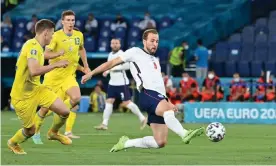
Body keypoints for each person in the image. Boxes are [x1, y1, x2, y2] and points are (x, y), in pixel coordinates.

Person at [81, 29, 203, 152]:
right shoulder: (135, 52)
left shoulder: (155, 60)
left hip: (158, 97)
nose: (155, 44)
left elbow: (159, 85)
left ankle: (127, 143)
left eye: (157, 41)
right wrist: (91, 73)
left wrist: (167, 101)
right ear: (144, 41)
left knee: (160, 142)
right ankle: (184, 134)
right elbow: (111, 63)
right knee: (168, 111)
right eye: (152, 41)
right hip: (147, 93)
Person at [8, 19, 71, 154]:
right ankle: (13, 143)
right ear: (46, 33)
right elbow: (34, 71)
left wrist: (58, 56)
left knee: (65, 111)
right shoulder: (33, 46)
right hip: (22, 97)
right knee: (30, 131)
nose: (53, 36)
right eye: (52, 34)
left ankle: (53, 133)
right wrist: (55, 64)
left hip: (37, 89)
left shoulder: (37, 47)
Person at [32, 10, 91, 144]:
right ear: (63, 22)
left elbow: (81, 49)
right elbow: (45, 54)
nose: (71, 23)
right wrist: (58, 54)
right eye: (68, 20)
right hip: (53, 77)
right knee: (45, 108)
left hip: (69, 76)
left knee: (76, 98)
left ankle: (53, 130)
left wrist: (85, 66)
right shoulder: (56, 36)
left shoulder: (78, 35)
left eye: (72, 20)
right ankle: (36, 132)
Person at [94, 38, 147, 130]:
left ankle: (142, 118)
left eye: (116, 43)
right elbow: (109, 65)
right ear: (110, 45)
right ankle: (104, 124)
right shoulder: (110, 54)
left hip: (121, 83)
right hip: (112, 83)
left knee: (127, 103)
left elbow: (127, 66)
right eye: (113, 43)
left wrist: (111, 69)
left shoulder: (122, 54)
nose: (114, 45)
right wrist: (106, 70)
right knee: (109, 102)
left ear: (120, 45)